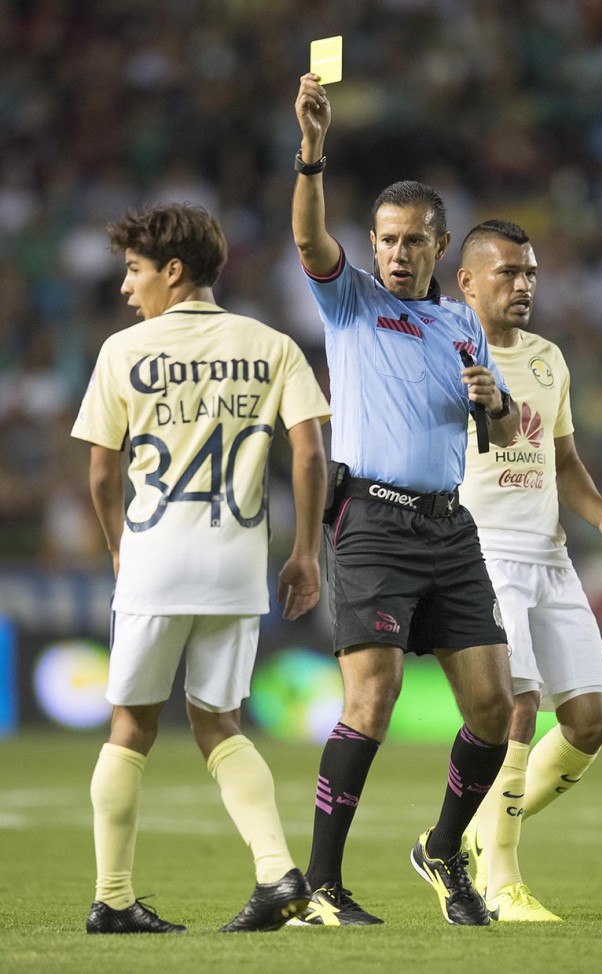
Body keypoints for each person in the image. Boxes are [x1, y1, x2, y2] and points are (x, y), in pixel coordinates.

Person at [288, 73, 520, 928]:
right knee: (371, 700)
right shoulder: (349, 301)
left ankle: (441, 849)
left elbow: (492, 432)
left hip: (446, 524)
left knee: (496, 709)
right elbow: (310, 238)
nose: (394, 253)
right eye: (384, 238)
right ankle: (321, 886)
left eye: (411, 241)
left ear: (440, 245)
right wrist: (312, 149)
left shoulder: (462, 326)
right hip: (373, 523)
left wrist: (490, 404)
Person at [71, 202, 331, 934]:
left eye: (135, 270)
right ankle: (279, 873)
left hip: (155, 556)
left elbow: (100, 472)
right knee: (219, 721)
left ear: (173, 270)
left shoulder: (125, 351)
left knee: (130, 726)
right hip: (236, 563)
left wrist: (119, 543)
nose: (128, 288)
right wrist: (305, 551)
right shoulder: (272, 344)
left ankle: (114, 898)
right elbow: (310, 453)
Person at [456, 219, 602, 922]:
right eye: (508, 273)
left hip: (549, 552)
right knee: (519, 706)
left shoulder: (547, 358)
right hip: (483, 549)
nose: (524, 284)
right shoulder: (443, 351)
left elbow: (560, 460)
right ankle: (501, 885)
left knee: (591, 719)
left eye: (530, 273)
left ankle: (463, 836)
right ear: (467, 280)